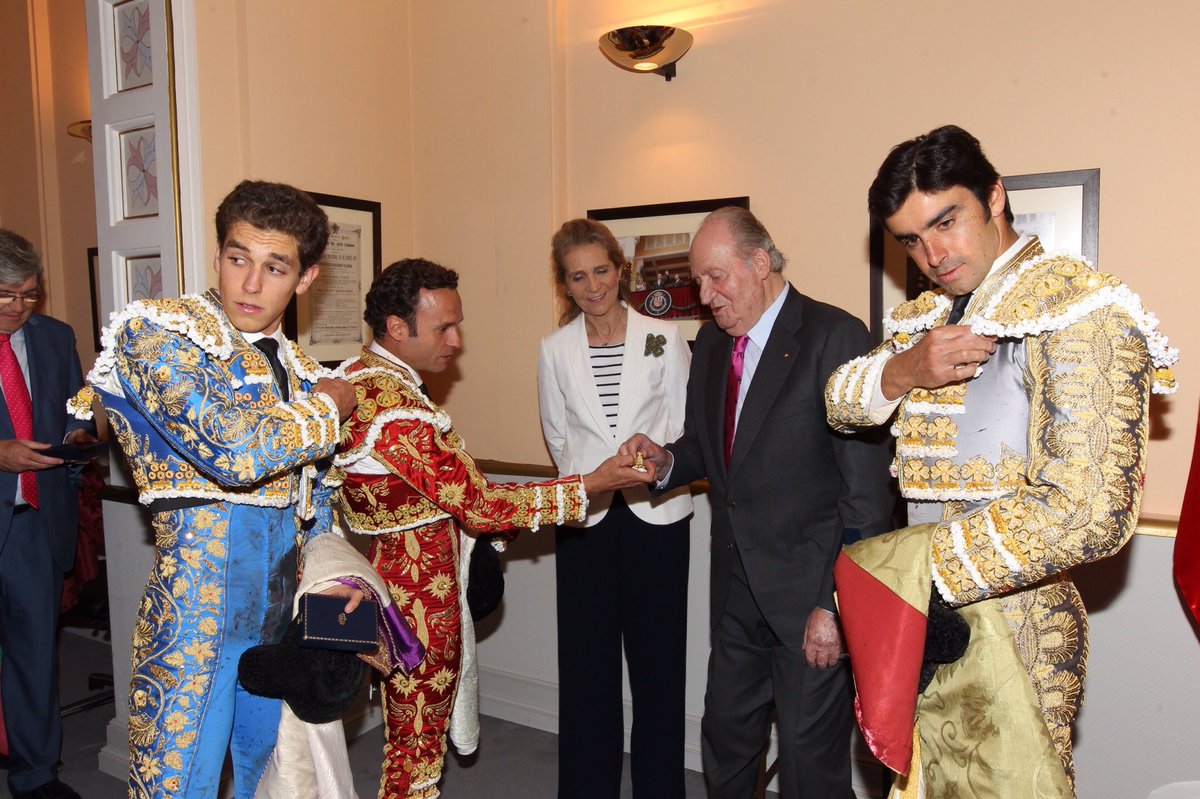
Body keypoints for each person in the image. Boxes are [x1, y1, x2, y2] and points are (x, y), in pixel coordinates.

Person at [826, 124, 1179, 797]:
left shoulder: (1081, 306)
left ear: (994, 195)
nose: (932, 253)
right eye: (910, 239)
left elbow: (1089, 510)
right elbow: (840, 402)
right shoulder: (922, 319)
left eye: (946, 221)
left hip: (1019, 619)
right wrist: (904, 370)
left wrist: (926, 572)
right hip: (922, 613)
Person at [68, 180, 359, 799]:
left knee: (269, 778)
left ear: (305, 279)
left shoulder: (303, 371)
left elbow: (321, 514)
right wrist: (329, 408)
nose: (250, 285)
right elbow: (236, 451)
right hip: (193, 618)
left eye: (274, 267)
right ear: (219, 254)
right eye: (237, 259)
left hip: (278, 624)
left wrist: (332, 626)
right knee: (177, 787)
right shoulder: (160, 334)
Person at [333, 257, 656, 799]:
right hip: (418, 601)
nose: (456, 340)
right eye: (443, 327)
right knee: (415, 754)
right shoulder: (395, 410)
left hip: (388, 579)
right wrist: (593, 482)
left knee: (407, 744)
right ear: (395, 327)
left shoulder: (353, 379)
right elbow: (480, 505)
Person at [620, 206, 894, 798]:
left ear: (761, 262)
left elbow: (868, 497)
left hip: (810, 600)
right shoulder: (715, 345)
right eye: (699, 281)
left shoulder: (835, 337)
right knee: (726, 741)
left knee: (807, 765)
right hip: (737, 591)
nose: (706, 294)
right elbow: (709, 449)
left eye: (718, 277)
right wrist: (666, 461)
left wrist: (835, 605)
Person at [537, 219, 693, 798]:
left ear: (620, 269)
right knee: (586, 675)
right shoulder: (554, 350)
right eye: (578, 277)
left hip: (658, 519)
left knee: (658, 674)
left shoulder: (662, 336)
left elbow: (680, 426)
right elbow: (558, 439)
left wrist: (647, 467)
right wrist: (594, 482)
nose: (593, 286)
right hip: (586, 524)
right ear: (566, 284)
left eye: (601, 270)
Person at [0, 229, 96, 799]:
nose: (18, 307)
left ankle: (37, 776)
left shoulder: (55, 338)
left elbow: (73, 409)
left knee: (37, 655)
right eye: (5, 294)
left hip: (35, 524)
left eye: (28, 295)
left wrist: (78, 436)